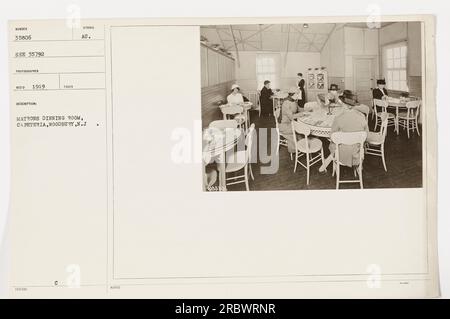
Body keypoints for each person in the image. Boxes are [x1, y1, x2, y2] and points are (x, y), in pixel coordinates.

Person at [319, 102, 369, 172]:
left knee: (333, 142)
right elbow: (366, 136)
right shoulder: (362, 117)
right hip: (356, 153)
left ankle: (330, 161)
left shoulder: (338, 118)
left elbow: (332, 137)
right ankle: (358, 166)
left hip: (340, 155)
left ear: (344, 105)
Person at [278, 87, 302, 153]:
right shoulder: (286, 103)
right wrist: (302, 114)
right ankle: (298, 148)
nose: (298, 96)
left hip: (290, 123)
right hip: (284, 125)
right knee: (300, 129)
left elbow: (299, 109)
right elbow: (291, 117)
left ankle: (300, 145)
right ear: (292, 94)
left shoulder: (294, 101)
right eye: (297, 94)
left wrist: (307, 110)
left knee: (301, 129)